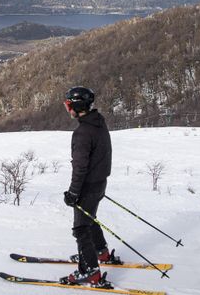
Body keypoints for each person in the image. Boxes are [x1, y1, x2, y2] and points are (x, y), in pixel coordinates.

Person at [60, 86, 115, 287]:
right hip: (100, 182)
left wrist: (74, 192)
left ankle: (90, 272)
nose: (67, 109)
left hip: (88, 186)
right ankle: (101, 251)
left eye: (68, 105)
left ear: (77, 106)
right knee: (90, 219)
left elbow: (80, 167)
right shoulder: (98, 122)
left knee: (81, 228)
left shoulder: (82, 133)